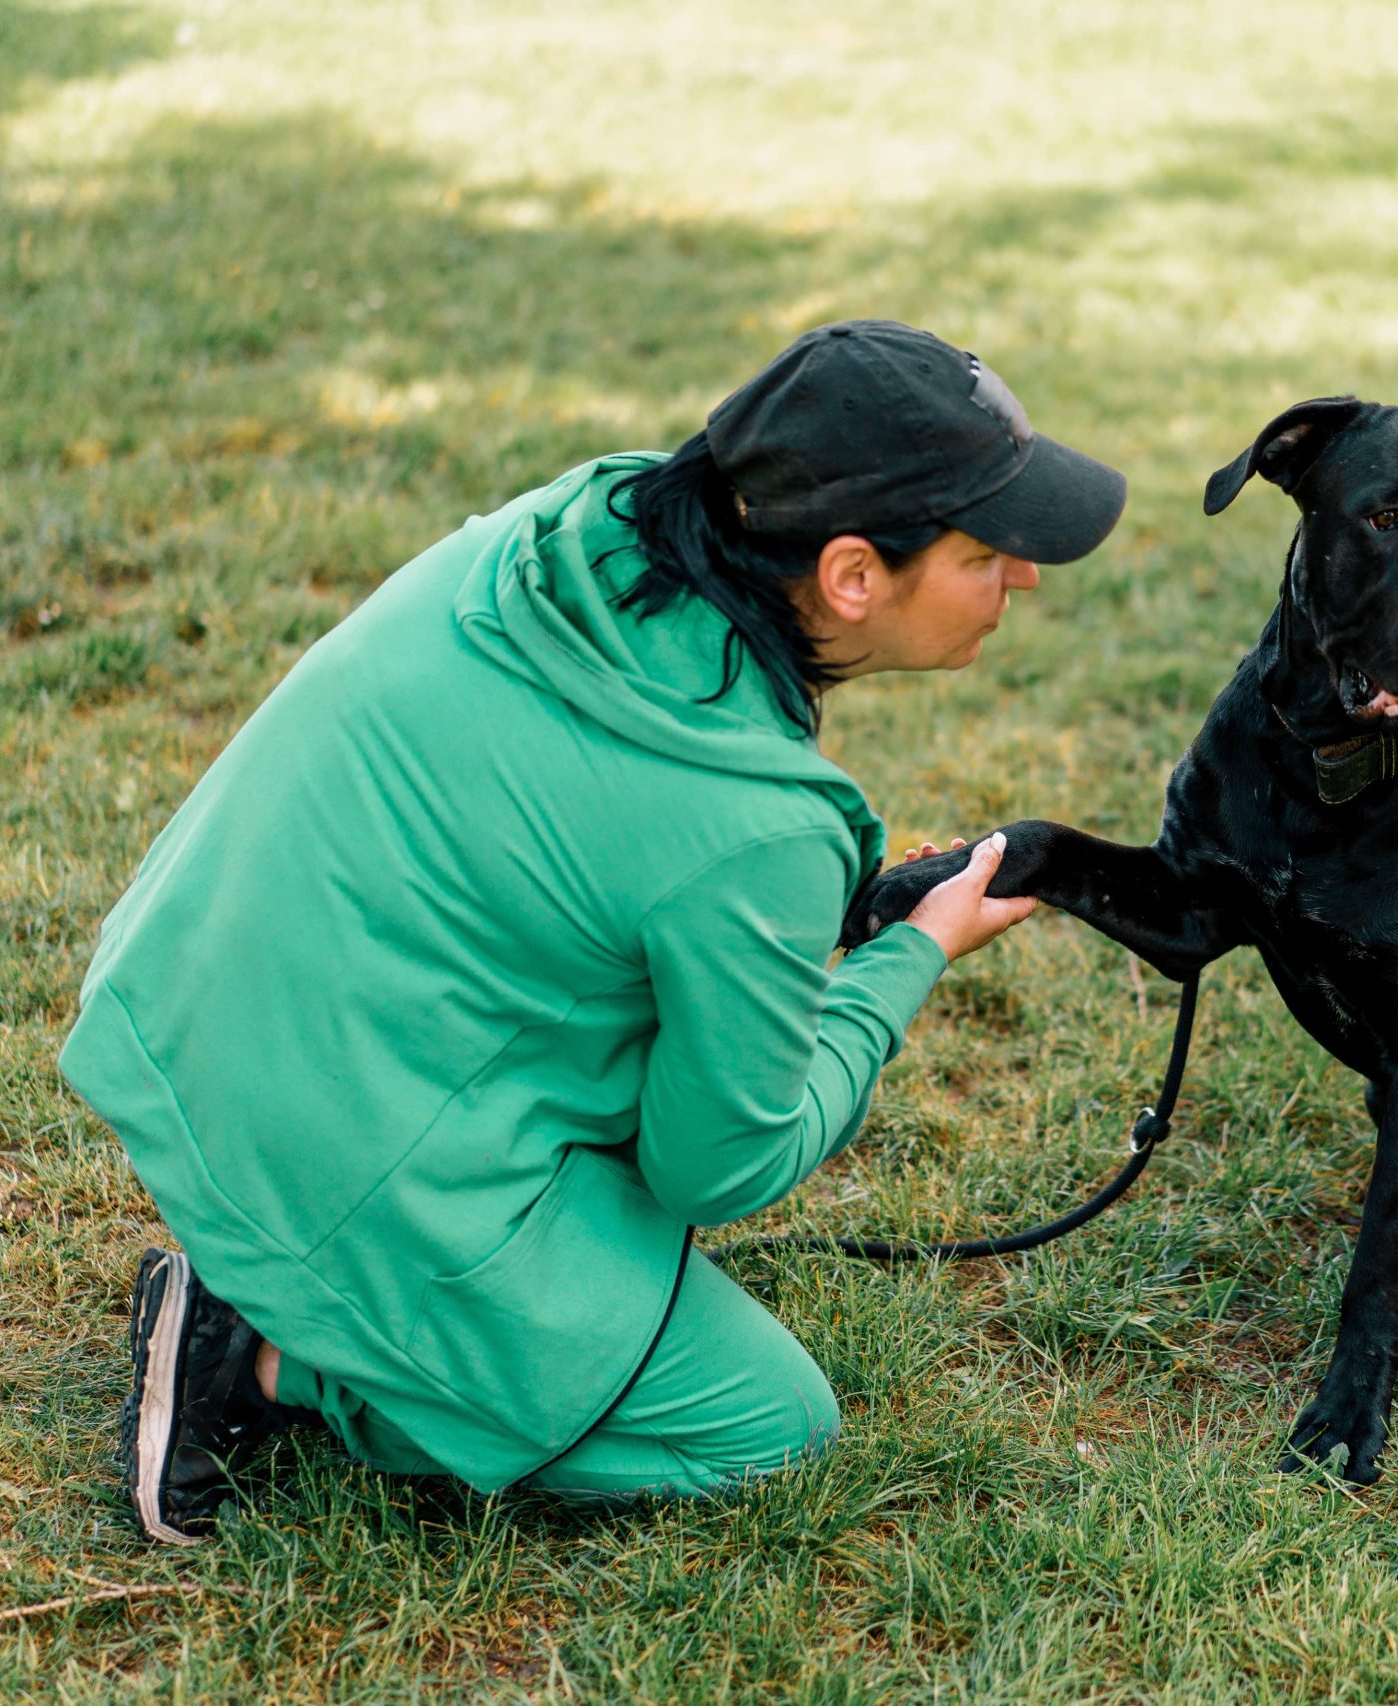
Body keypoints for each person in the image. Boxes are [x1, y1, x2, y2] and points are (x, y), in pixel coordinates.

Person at [59, 320, 1127, 1544]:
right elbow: (718, 1165)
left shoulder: (580, 525)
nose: (1026, 580)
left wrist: (790, 920)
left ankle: (302, 1275)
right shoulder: (756, 827)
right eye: (989, 551)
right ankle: (254, 1357)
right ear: (849, 575)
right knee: (765, 1420)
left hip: (186, 1004)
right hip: (327, 1132)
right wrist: (908, 955)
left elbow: (584, 852)